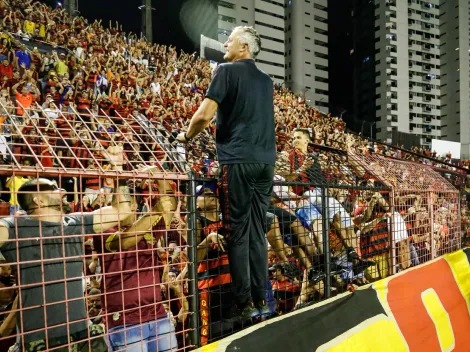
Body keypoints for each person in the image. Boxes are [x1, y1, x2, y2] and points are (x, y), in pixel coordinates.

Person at [177, 26, 276, 318]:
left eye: (230, 40)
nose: (225, 43)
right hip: (265, 163)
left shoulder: (225, 71)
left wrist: (186, 136)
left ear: (243, 47)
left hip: (238, 160)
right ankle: (262, 300)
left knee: (237, 232)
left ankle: (244, 303)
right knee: (258, 231)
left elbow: (204, 115)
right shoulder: (266, 81)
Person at [0, 146, 131, 352]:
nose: (61, 189)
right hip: (40, 339)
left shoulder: (75, 222)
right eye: (52, 187)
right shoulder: (14, 226)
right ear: (38, 200)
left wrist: (117, 170)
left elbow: (122, 211)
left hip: (81, 334)